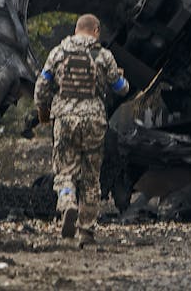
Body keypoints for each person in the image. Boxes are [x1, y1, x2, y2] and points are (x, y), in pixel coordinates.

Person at [34, 13, 130, 248]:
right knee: (90, 178)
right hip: (94, 121)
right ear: (96, 30)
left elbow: (41, 88)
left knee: (65, 171)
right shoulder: (104, 56)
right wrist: (121, 80)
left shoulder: (58, 53)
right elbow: (121, 88)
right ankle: (86, 231)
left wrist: (45, 113)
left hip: (64, 120)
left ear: (76, 30)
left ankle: (67, 203)